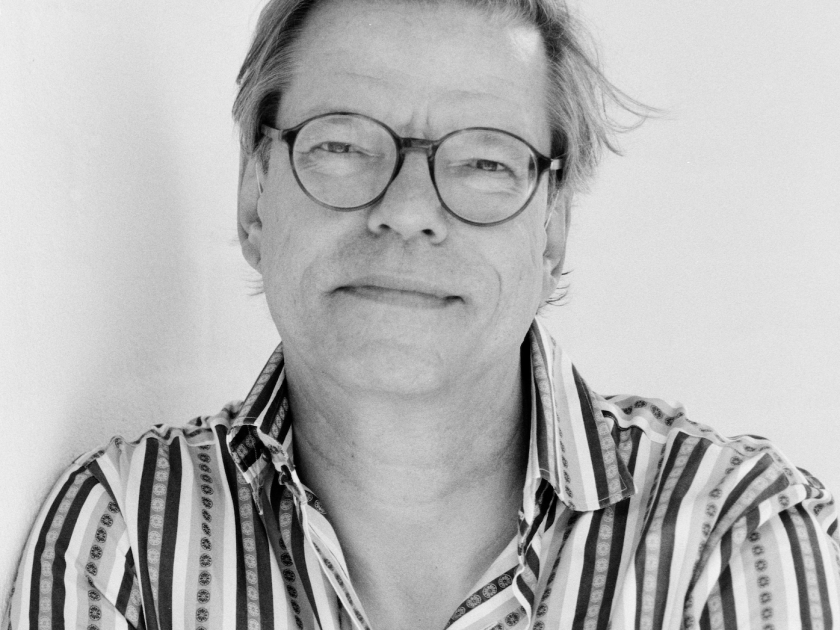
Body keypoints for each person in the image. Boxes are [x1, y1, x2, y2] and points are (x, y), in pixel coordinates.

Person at [4, 0, 839, 628]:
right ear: (254, 198)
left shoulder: (730, 534)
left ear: (552, 229)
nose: (406, 211)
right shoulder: (121, 538)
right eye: (341, 144)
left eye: (483, 161)